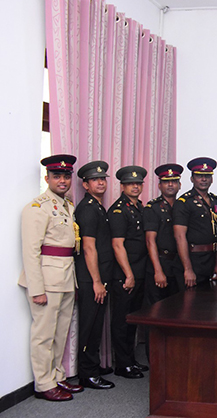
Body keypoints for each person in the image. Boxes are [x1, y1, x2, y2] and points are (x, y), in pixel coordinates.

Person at [19, 155, 82, 401]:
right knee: (43, 335)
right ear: (47, 179)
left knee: (60, 333)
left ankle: (57, 376)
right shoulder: (37, 207)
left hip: (65, 277)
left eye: (66, 176)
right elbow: (31, 251)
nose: (62, 180)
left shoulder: (67, 205)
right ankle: (44, 384)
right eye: (57, 176)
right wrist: (37, 289)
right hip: (46, 280)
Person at [73, 161, 115, 389]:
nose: (100, 182)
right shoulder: (88, 208)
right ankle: (87, 373)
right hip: (91, 278)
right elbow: (89, 248)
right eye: (95, 180)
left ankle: (93, 366)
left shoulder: (97, 207)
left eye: (102, 179)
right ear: (85, 185)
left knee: (97, 324)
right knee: (89, 325)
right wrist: (97, 282)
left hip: (100, 276)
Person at [109, 165, 150, 379]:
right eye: (130, 183)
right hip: (125, 275)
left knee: (132, 319)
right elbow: (118, 245)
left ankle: (131, 360)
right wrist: (129, 274)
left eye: (138, 183)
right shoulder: (118, 210)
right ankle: (122, 364)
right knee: (121, 320)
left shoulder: (139, 207)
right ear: (122, 186)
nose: (135, 186)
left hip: (139, 271)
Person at [173, 157, 217, 287]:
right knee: (189, 299)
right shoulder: (184, 202)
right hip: (192, 260)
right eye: (200, 176)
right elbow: (180, 237)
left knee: (210, 298)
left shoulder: (215, 201)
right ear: (192, 179)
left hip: (209, 260)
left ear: (212, 179)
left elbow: (216, 232)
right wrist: (188, 269)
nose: (204, 179)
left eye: (207, 176)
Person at [144, 163, 185, 303]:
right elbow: (150, 241)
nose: (170, 185)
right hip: (160, 263)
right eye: (166, 182)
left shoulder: (183, 207)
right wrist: (158, 271)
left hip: (178, 265)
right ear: (159, 186)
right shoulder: (152, 208)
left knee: (179, 307)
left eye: (174, 181)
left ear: (180, 185)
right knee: (157, 309)